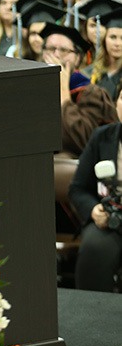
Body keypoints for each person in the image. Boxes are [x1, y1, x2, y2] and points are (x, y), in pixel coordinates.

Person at [41, 23, 118, 158]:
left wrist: (63, 88)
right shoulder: (33, 91)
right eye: (51, 49)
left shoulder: (91, 93)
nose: (56, 55)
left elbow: (83, 141)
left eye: (64, 50)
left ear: (77, 58)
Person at [69, 113, 122, 292]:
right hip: (109, 221)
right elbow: (77, 189)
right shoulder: (101, 137)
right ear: (116, 103)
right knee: (94, 249)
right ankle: (93, 316)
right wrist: (93, 210)